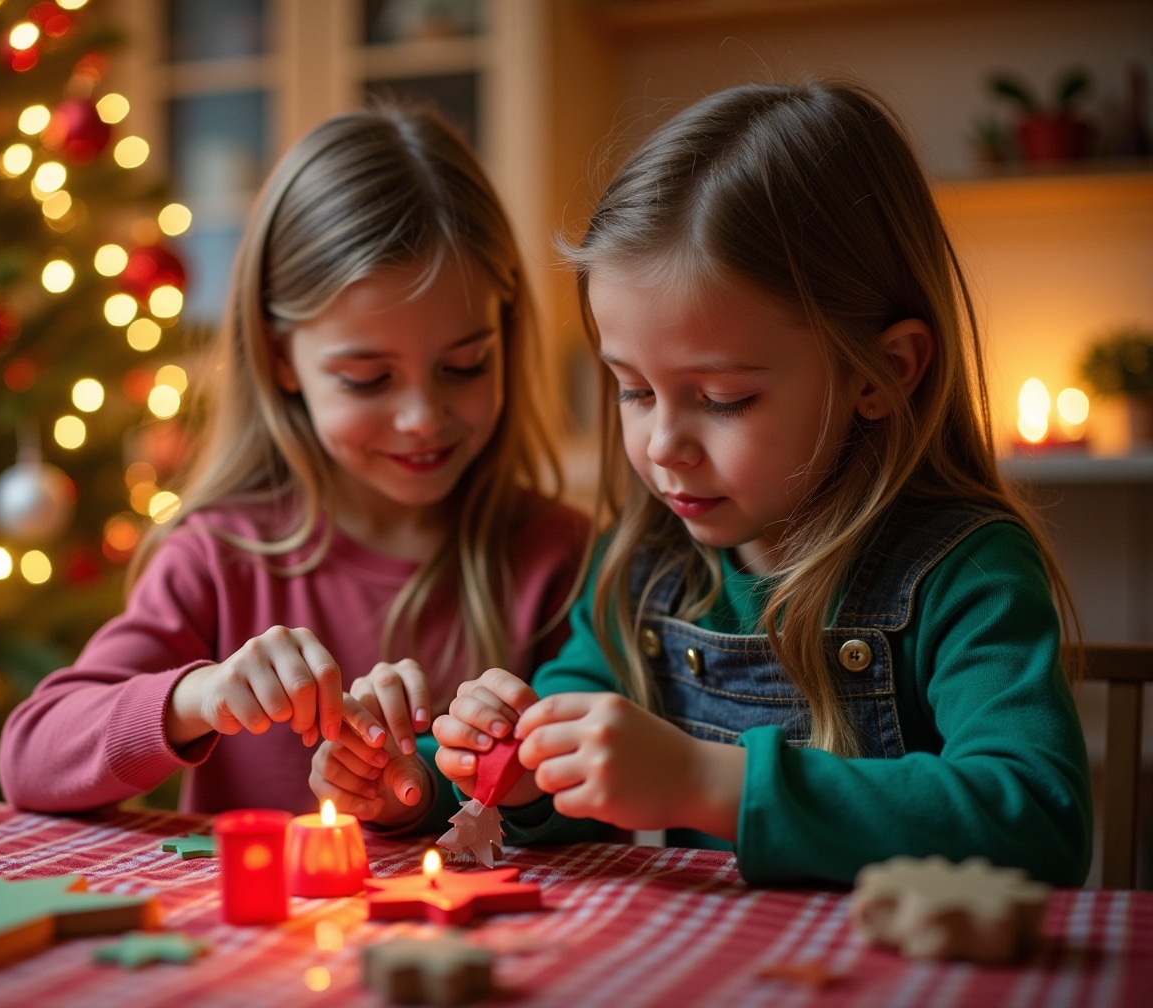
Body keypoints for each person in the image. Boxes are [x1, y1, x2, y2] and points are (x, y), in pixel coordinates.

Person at [330, 81, 1095, 886]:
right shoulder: (645, 568)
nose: (664, 445)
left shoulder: (964, 573)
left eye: (724, 399)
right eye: (633, 389)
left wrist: (704, 780)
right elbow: (560, 770)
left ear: (882, 372)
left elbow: (1038, 818)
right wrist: (479, 773)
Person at [0, 104, 589, 818]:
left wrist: (464, 778)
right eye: (367, 379)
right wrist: (201, 696)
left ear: (505, 336)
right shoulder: (218, 558)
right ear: (281, 359)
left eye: (465, 366)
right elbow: (31, 756)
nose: (422, 417)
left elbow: (596, 812)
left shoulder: (560, 557)